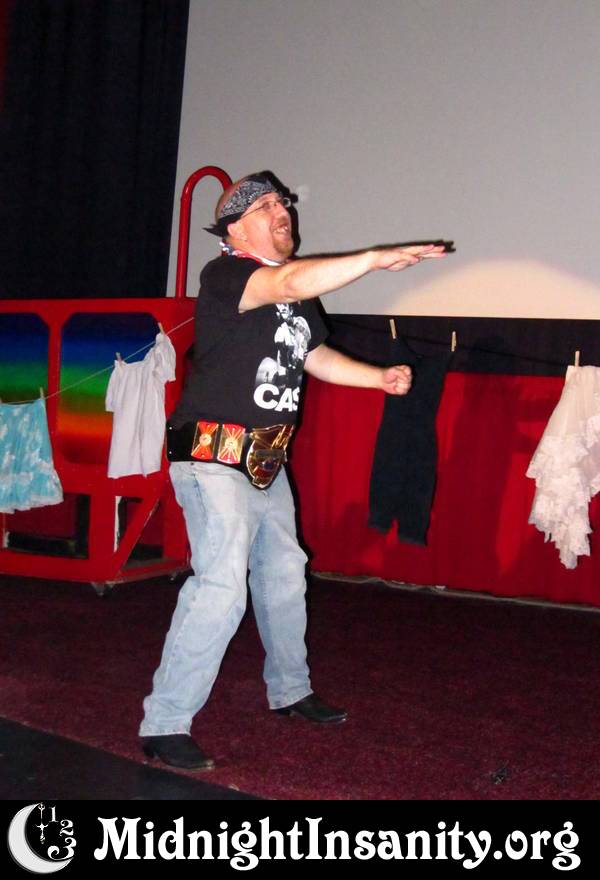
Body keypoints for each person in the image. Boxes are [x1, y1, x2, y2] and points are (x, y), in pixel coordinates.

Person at [139, 172, 448, 769]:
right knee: (221, 586)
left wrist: (377, 378)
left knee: (284, 574)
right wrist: (373, 259)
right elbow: (284, 280)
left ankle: (290, 690)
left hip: (265, 457)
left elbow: (314, 354)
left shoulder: (297, 291)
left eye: (283, 202)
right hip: (213, 455)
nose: (282, 210)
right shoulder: (227, 274)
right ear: (234, 228)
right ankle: (165, 721)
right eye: (266, 205)